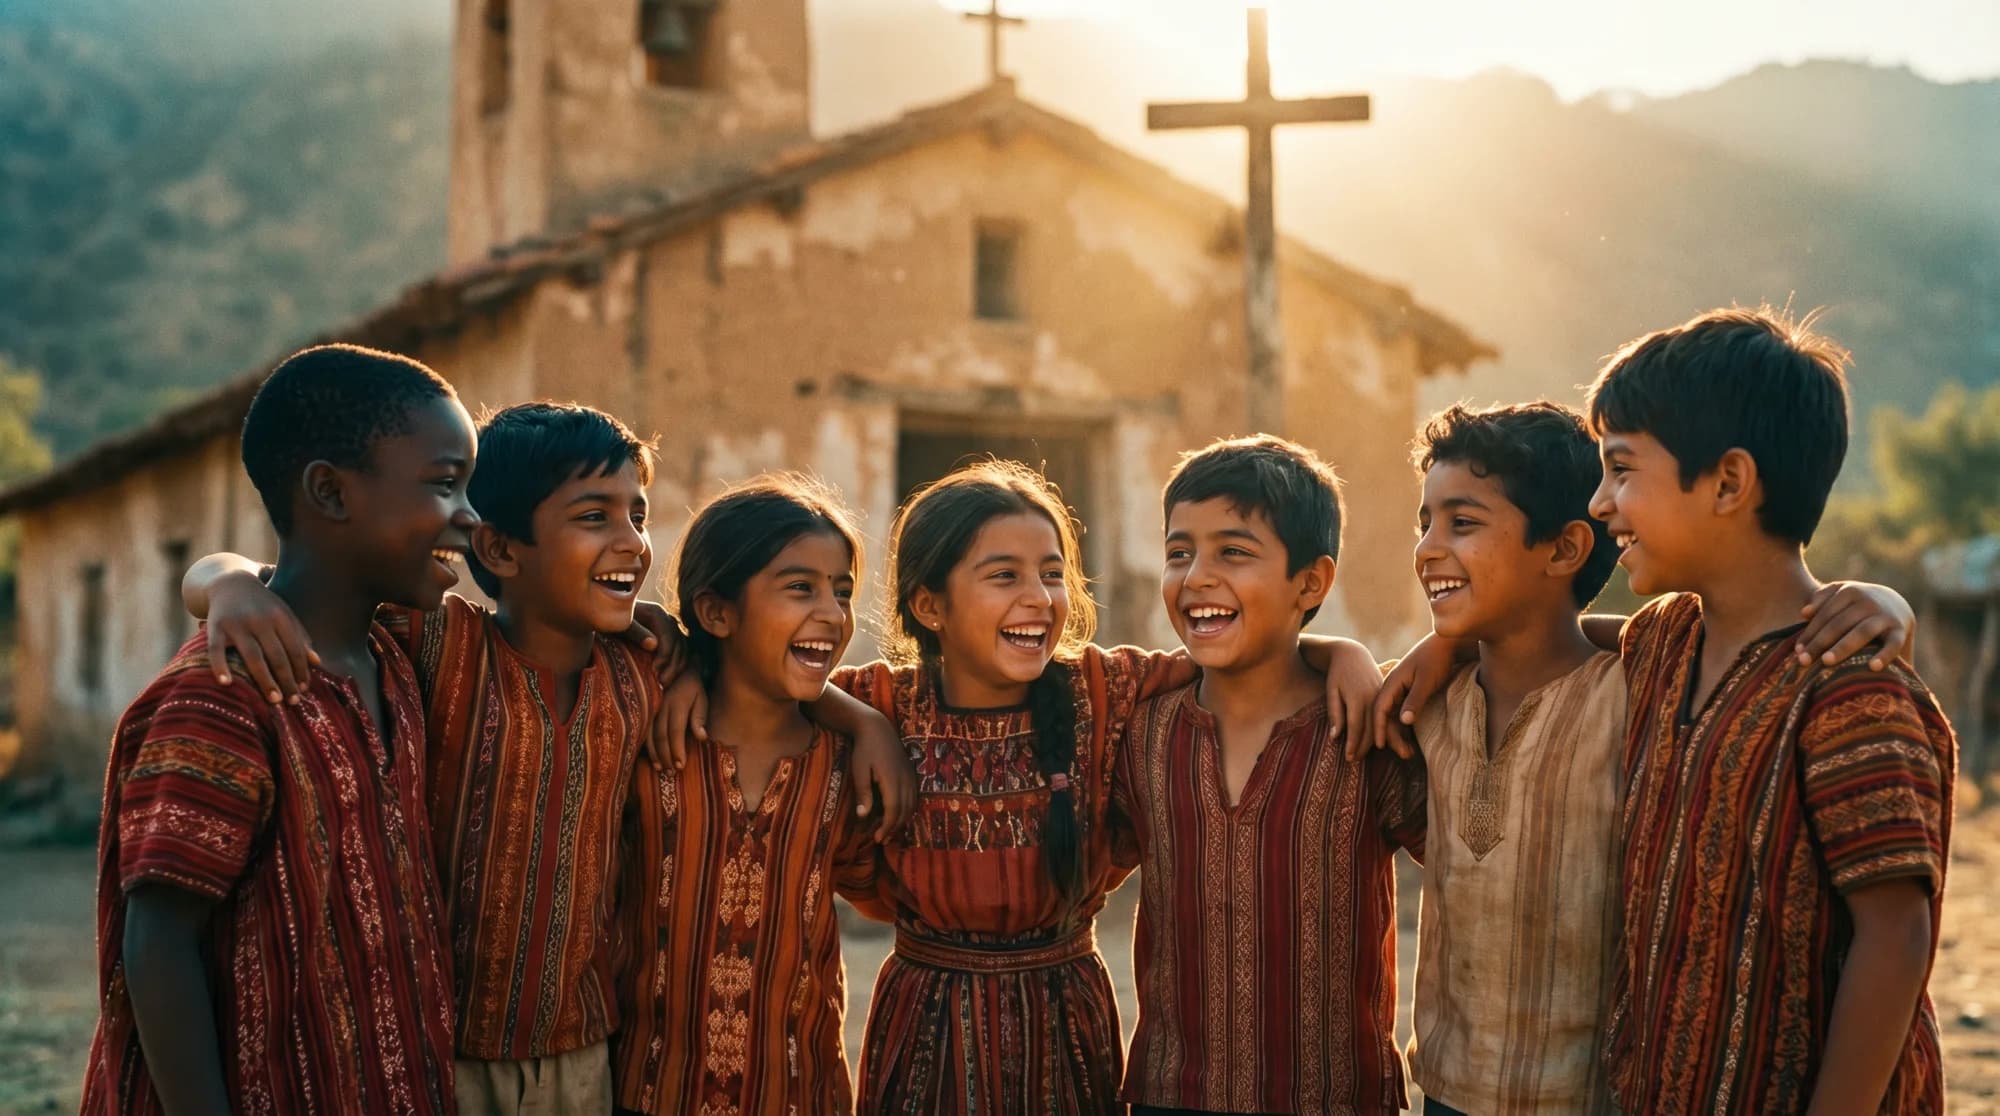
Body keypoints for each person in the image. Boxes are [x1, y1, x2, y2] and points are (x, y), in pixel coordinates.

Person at [182, 405, 914, 1116]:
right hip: (443, 1050)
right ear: (499, 549)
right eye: (595, 516)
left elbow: (756, 674)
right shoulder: (440, 646)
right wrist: (229, 583)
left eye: (638, 512)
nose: (631, 541)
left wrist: (859, 718)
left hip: (586, 1058)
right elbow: (303, 578)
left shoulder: (639, 672)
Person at [661, 458, 1384, 1115]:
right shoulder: (882, 704)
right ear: (930, 604)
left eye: (1052, 573)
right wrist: (848, 717)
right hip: (924, 1036)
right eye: (1004, 575)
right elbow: (771, 674)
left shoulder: (1105, 691)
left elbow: (1237, 650)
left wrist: (1340, 651)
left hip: (1066, 1034)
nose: (1039, 598)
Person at [79, 343, 468, 1114]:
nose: (469, 517)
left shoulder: (396, 654)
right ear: (328, 491)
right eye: (445, 485)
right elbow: (159, 945)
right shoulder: (224, 696)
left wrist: (224, 575)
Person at [1587, 308, 1955, 1114]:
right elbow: (1548, 647)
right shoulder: (1663, 641)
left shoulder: (1849, 686)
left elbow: (1895, 939)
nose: (1600, 502)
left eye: (1621, 470)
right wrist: (1444, 649)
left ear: (1727, 482)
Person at [1114, 435, 1427, 1116]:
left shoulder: (1366, 732)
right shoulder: (1141, 733)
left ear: (1311, 582)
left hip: (1334, 1098)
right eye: (1178, 552)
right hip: (1174, 1095)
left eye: (1233, 551)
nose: (1195, 575)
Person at [611, 475, 883, 1115]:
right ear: (716, 613)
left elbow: (882, 898)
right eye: (800, 588)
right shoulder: (649, 737)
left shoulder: (844, 766)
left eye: (842, 592)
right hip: (645, 1094)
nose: (832, 613)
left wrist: (868, 723)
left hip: (797, 1096)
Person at [1400, 402, 1626, 1115]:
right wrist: (1338, 649)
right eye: (1425, 522)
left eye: (1462, 524)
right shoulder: (1423, 706)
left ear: (1563, 550)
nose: (1429, 548)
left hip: (1593, 1096)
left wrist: (1874, 602)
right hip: (1447, 1089)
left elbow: (1752, 630)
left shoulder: (1638, 695)